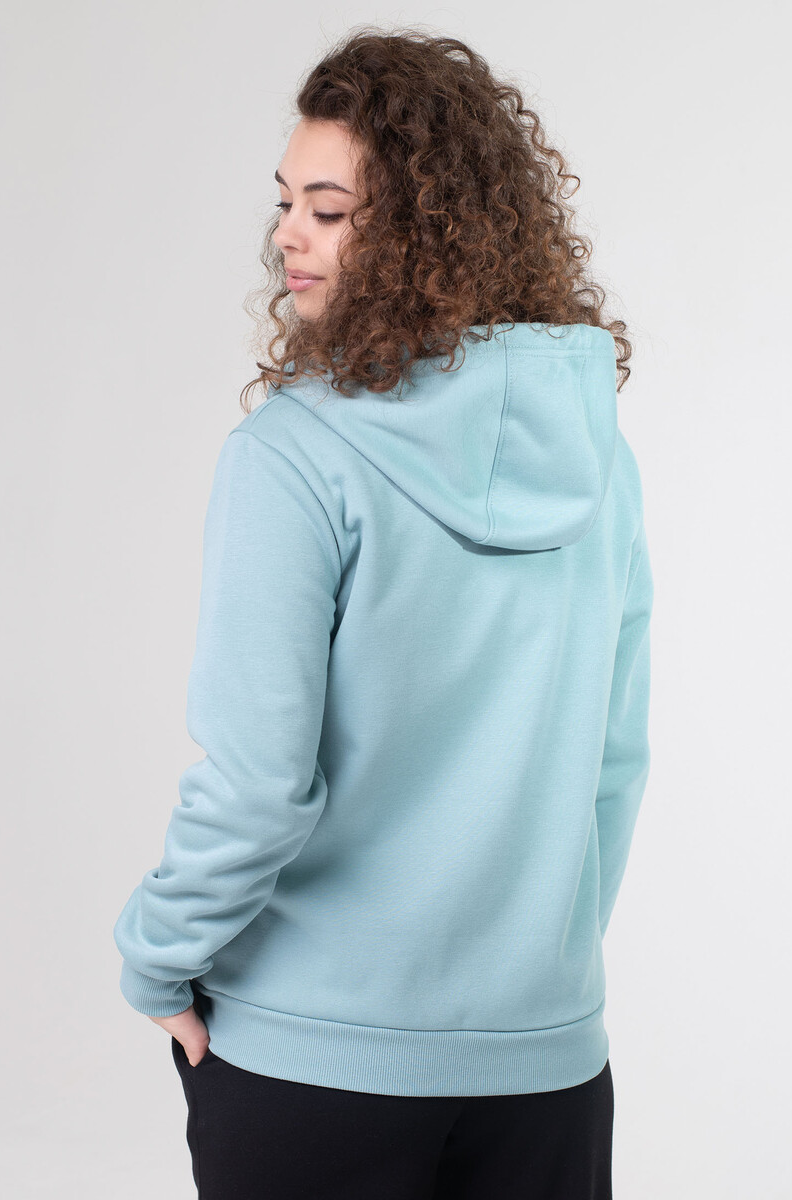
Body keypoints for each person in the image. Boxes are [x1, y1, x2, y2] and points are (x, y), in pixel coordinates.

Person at [113, 25, 653, 1200]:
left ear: (418, 232)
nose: (286, 236)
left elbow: (260, 781)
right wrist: (529, 976)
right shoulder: (596, 460)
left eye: (328, 210)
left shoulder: (292, 457)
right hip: (548, 1069)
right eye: (286, 203)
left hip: (314, 1067)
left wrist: (155, 954)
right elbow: (611, 763)